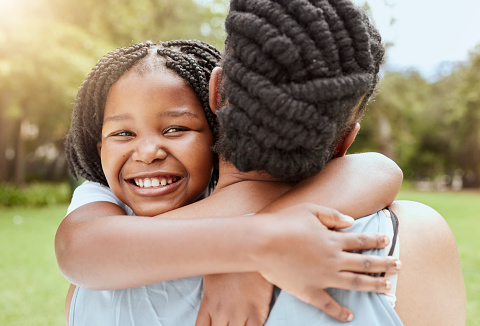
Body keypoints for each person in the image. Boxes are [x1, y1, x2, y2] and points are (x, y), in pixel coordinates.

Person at [57, 38, 403, 325]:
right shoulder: (103, 196)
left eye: (176, 129)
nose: (147, 152)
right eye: (123, 133)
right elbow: (78, 249)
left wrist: (263, 240)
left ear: (217, 132)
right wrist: (251, 248)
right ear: (100, 149)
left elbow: (379, 169)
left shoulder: (230, 188)